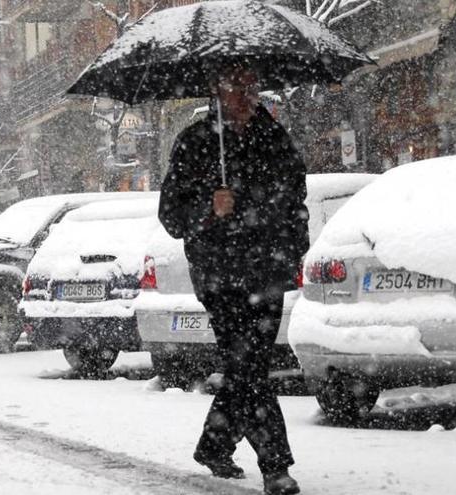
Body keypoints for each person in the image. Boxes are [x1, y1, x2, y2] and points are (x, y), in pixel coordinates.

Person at [158, 67, 308, 495]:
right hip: (219, 274)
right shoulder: (194, 143)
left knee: (250, 367)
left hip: (267, 272)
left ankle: (215, 442)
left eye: (249, 84)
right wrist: (210, 207)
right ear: (215, 91)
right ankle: (276, 466)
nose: (244, 93)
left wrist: (290, 246)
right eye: (233, 85)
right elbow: (171, 217)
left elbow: (295, 201)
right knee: (248, 367)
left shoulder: (275, 139)